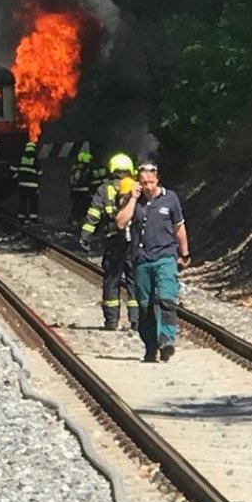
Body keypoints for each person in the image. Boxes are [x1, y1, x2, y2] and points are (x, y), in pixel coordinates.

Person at [115, 162, 191, 363]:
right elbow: (121, 223)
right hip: (141, 259)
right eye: (143, 182)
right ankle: (150, 346)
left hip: (166, 256)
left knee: (167, 299)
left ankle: (166, 341)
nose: (147, 186)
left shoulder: (170, 198)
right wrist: (132, 198)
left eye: (150, 182)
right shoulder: (133, 200)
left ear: (157, 179)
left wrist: (184, 252)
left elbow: (179, 228)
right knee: (145, 306)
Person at [79, 153, 140, 331]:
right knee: (134, 280)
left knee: (111, 280)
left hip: (113, 241)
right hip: (134, 242)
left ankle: (111, 321)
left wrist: (85, 236)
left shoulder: (104, 189)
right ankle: (135, 320)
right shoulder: (136, 188)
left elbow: (94, 214)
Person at [11, 140, 41, 222]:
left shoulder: (21, 158)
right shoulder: (35, 160)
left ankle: (21, 217)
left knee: (23, 201)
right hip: (33, 185)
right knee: (33, 202)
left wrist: (16, 175)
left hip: (22, 184)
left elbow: (13, 168)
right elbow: (40, 172)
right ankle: (33, 218)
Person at [68, 150, 93, 226]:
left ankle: (74, 221)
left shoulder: (74, 168)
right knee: (85, 207)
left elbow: (72, 180)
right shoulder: (87, 169)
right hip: (85, 191)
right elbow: (89, 180)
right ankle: (82, 221)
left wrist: (72, 189)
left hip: (76, 191)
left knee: (76, 206)